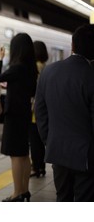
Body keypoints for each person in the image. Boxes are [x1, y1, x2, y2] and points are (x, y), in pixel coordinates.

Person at [35, 24, 94, 202]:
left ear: (72, 45)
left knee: (63, 199)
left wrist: (49, 140)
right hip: (86, 156)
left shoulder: (48, 72)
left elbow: (40, 111)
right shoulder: (91, 75)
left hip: (57, 152)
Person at [0, 33, 37, 202]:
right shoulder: (30, 69)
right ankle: (24, 190)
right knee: (24, 154)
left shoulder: (17, 67)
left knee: (16, 155)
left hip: (14, 115)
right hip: (24, 113)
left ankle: (17, 193)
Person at [29, 41, 48, 178]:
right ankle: (42, 166)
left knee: (34, 140)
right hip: (44, 109)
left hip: (34, 111)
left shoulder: (34, 68)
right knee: (41, 141)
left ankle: (36, 167)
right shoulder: (46, 67)